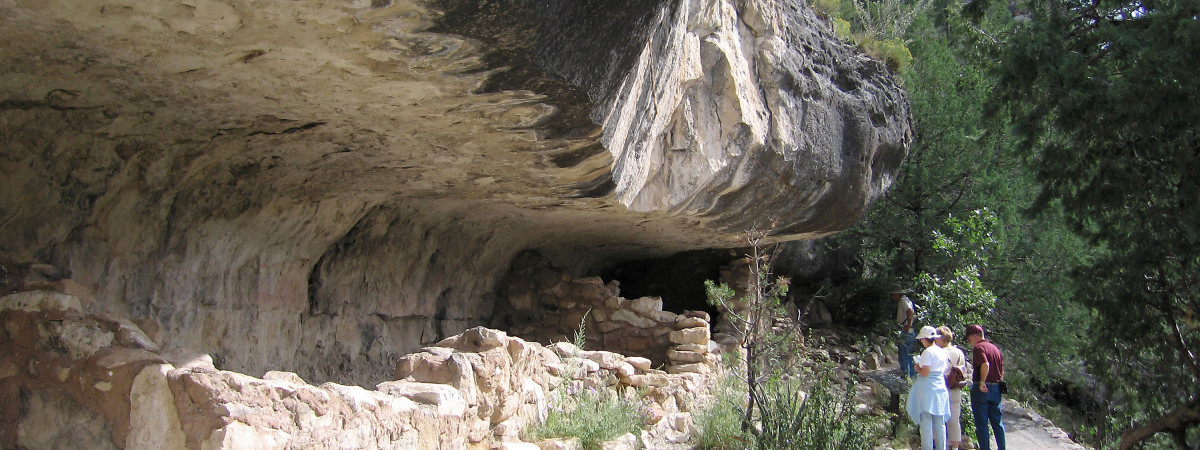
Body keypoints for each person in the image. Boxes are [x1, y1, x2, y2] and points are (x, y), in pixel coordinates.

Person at [907, 325, 952, 450]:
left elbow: (925, 372)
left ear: (925, 339)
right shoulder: (942, 351)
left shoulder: (927, 352)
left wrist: (917, 367)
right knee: (939, 422)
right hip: (940, 386)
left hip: (928, 388)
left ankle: (927, 447)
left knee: (926, 421)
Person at [965, 324, 1006, 450]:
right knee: (997, 423)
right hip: (996, 388)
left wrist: (982, 382)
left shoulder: (978, 348)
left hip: (982, 389)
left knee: (982, 423)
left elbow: (985, 364)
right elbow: (1002, 370)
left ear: (975, 336)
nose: (969, 342)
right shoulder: (996, 349)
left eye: (969, 338)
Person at [937, 326, 970, 450]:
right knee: (954, 419)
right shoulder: (959, 352)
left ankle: (940, 444)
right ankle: (955, 446)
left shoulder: (938, 352)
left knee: (938, 418)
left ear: (940, 338)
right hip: (955, 388)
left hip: (941, 387)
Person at [892, 285, 916, 378]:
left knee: (904, 356)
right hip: (910, 332)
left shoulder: (903, 301)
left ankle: (905, 377)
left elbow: (909, 311)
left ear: (898, 294)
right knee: (909, 356)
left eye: (894, 294)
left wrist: (908, 325)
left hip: (906, 332)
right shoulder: (906, 300)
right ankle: (912, 377)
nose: (893, 297)